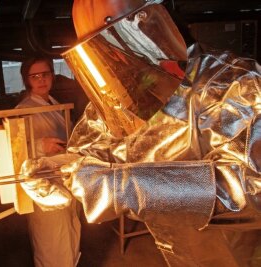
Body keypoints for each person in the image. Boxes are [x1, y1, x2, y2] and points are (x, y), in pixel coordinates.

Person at [20, 0, 261, 266]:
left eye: (109, 39)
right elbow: (90, 157)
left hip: (241, 255)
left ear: (146, 21)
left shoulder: (232, 82)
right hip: (179, 254)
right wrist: (54, 173)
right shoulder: (118, 95)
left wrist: (124, 188)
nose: (109, 59)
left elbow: (251, 190)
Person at [15, 56, 81, 267]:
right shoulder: (22, 110)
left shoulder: (55, 104)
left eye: (45, 74)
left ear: (52, 76)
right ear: (27, 80)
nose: (41, 79)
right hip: (45, 188)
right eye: (35, 76)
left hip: (65, 180)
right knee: (51, 242)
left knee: (70, 233)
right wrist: (39, 146)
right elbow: (14, 150)